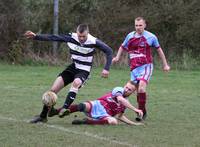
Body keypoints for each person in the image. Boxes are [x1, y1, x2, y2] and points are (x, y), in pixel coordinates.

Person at [24, 24, 113, 123]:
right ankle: (43, 116)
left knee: (76, 82)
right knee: (52, 90)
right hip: (73, 67)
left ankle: (64, 109)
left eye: (84, 36)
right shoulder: (71, 37)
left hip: (84, 70)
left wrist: (106, 68)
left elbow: (109, 51)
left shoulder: (93, 41)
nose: (81, 38)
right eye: (80, 36)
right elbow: (54, 37)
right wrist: (37, 36)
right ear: (77, 33)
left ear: (88, 33)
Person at [112, 17, 170, 121]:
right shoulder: (130, 36)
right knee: (131, 91)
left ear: (145, 25)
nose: (138, 27)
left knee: (142, 88)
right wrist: (117, 57)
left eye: (140, 25)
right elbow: (122, 46)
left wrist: (165, 64)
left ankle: (141, 113)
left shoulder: (151, 37)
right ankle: (139, 110)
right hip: (134, 68)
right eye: (136, 25)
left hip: (146, 66)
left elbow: (159, 50)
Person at [62, 81, 143, 125]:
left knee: (113, 121)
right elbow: (120, 99)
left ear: (133, 92)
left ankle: (86, 122)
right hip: (97, 105)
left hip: (104, 115)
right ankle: (58, 111)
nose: (126, 90)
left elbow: (120, 116)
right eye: (126, 87)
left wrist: (134, 124)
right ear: (124, 86)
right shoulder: (118, 89)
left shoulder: (126, 104)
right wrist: (135, 109)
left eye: (129, 90)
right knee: (82, 106)